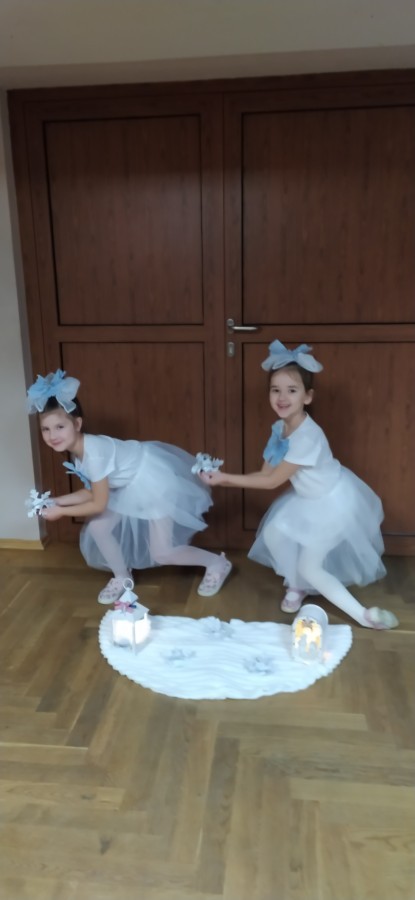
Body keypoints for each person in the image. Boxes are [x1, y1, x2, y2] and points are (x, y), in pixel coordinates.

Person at [199, 340, 398, 630]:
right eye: (275, 390)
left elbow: (271, 482)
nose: (282, 397)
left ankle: (365, 616)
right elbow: (264, 471)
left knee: (310, 566)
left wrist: (224, 478)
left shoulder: (307, 437)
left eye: (292, 390)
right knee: (274, 535)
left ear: (307, 396)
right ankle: (297, 585)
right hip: (305, 498)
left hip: (332, 503)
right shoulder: (280, 428)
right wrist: (223, 475)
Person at [27, 370, 232, 604]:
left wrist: (61, 512)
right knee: (99, 528)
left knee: (162, 552)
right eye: (46, 429)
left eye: (59, 427)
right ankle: (122, 576)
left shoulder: (94, 454)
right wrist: (57, 501)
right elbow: (91, 491)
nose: (52, 435)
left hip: (153, 484)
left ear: (77, 424)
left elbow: (98, 503)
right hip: (126, 486)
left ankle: (217, 563)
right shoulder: (80, 452)